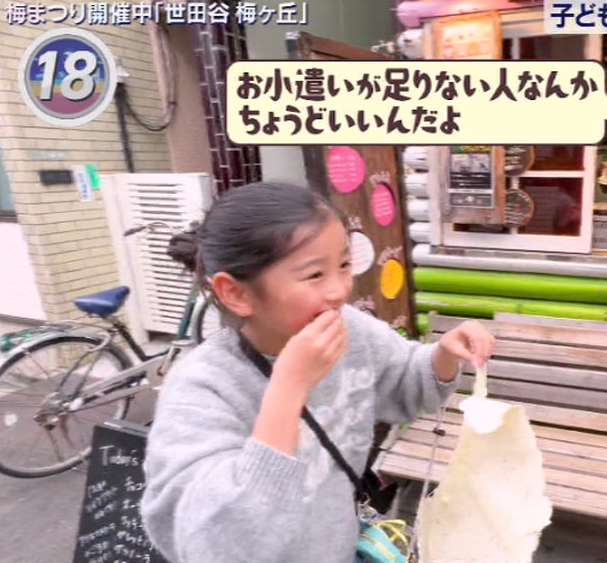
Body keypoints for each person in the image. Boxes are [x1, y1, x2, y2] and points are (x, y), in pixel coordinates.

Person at [140, 182, 496, 563]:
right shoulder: (201, 389)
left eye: (344, 265)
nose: (339, 291)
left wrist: (443, 354)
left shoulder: (351, 330)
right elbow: (221, 546)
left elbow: (407, 381)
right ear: (236, 293)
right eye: (314, 275)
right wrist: (289, 386)